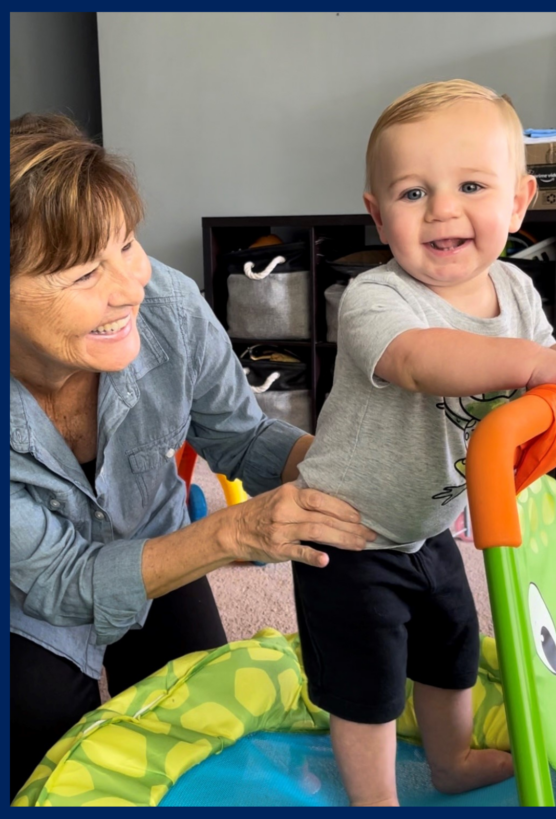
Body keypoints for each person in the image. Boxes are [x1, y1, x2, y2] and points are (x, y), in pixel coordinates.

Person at [9, 114, 374, 801]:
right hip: (27, 598)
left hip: (158, 541)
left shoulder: (169, 308)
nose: (132, 285)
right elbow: (60, 581)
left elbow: (239, 436)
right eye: (89, 271)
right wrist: (231, 533)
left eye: (128, 244)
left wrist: (356, 465)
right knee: (41, 756)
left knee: (205, 727)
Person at [291, 80, 556, 806]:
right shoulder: (375, 298)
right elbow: (422, 361)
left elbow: (549, 374)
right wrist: (534, 364)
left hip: (430, 521)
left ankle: (451, 759)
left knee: (452, 646)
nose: (444, 210)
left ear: (519, 203)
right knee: (368, 680)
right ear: (377, 215)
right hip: (347, 531)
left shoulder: (517, 288)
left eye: (470, 185)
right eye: (413, 192)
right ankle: (376, 798)